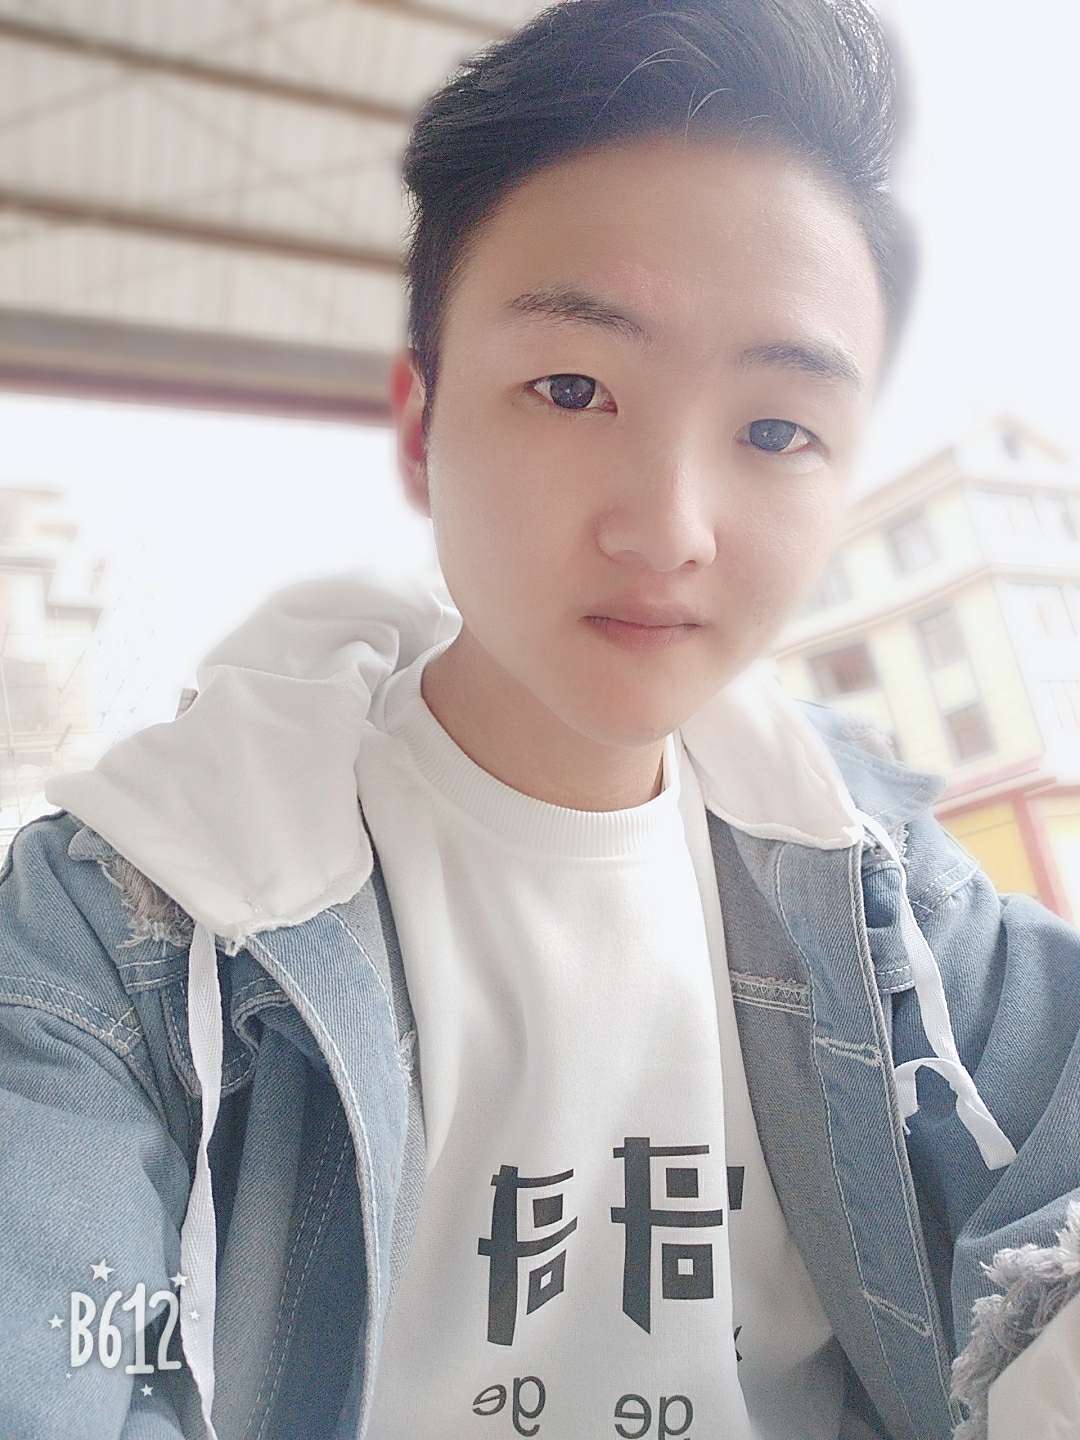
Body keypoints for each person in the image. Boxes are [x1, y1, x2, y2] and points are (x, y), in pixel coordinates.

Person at [1, 1, 1078, 1437]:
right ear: (421, 426)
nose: (670, 529)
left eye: (776, 430)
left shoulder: (893, 911)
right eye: (572, 389)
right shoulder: (125, 925)